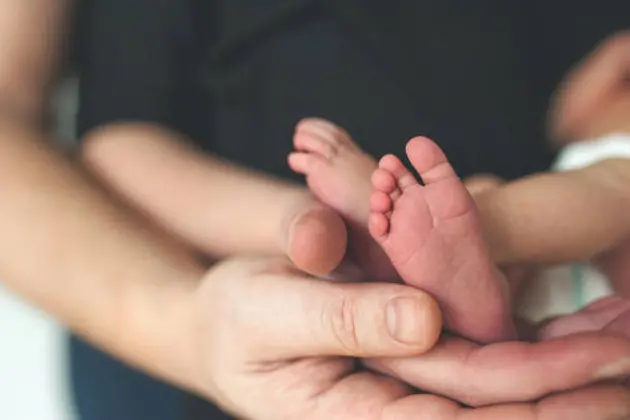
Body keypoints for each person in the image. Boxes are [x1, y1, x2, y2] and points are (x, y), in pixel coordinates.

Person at [0, 2, 629, 420]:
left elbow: (590, 96)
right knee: (592, 193)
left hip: (550, 237)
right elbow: (118, 145)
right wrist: (290, 219)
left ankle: (478, 247)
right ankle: (420, 234)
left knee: (598, 192)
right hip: (222, 281)